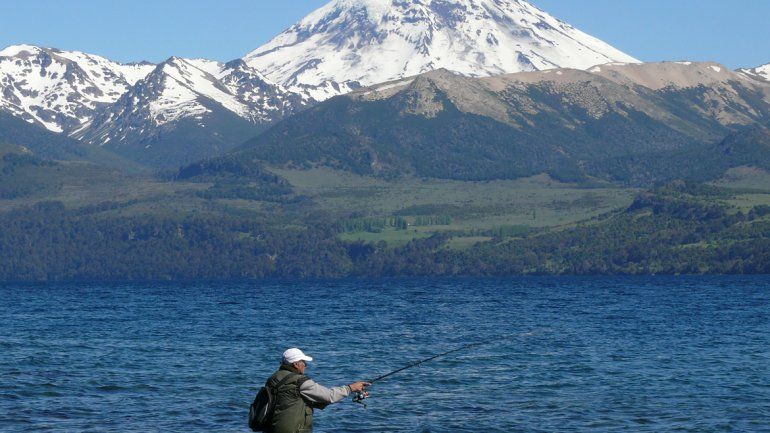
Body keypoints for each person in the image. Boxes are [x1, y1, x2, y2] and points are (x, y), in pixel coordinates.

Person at [265, 348, 370, 433]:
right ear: (296, 364)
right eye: (304, 362)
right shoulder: (299, 381)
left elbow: (292, 401)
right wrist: (351, 388)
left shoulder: (274, 378)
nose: (306, 365)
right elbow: (329, 396)